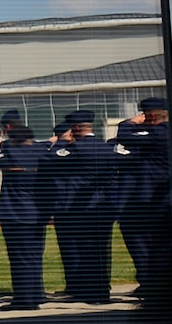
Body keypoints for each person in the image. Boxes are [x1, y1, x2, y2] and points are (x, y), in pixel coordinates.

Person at [48, 110, 116, 303]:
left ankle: (86, 291)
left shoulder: (75, 149)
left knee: (81, 251)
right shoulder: (105, 148)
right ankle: (102, 291)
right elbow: (111, 179)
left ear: (76, 128)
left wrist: (61, 140)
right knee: (101, 251)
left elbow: (52, 157)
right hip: (101, 207)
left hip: (78, 208)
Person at [0, 124, 48, 310]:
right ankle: (35, 295)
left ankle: (24, 300)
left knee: (19, 258)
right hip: (37, 213)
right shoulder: (41, 152)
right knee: (33, 257)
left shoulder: (9, 152)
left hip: (16, 213)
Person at [115, 97, 170, 308]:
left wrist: (129, 123)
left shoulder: (160, 133)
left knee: (156, 248)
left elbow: (125, 137)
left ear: (152, 116)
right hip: (159, 198)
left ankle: (155, 291)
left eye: (146, 117)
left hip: (156, 200)